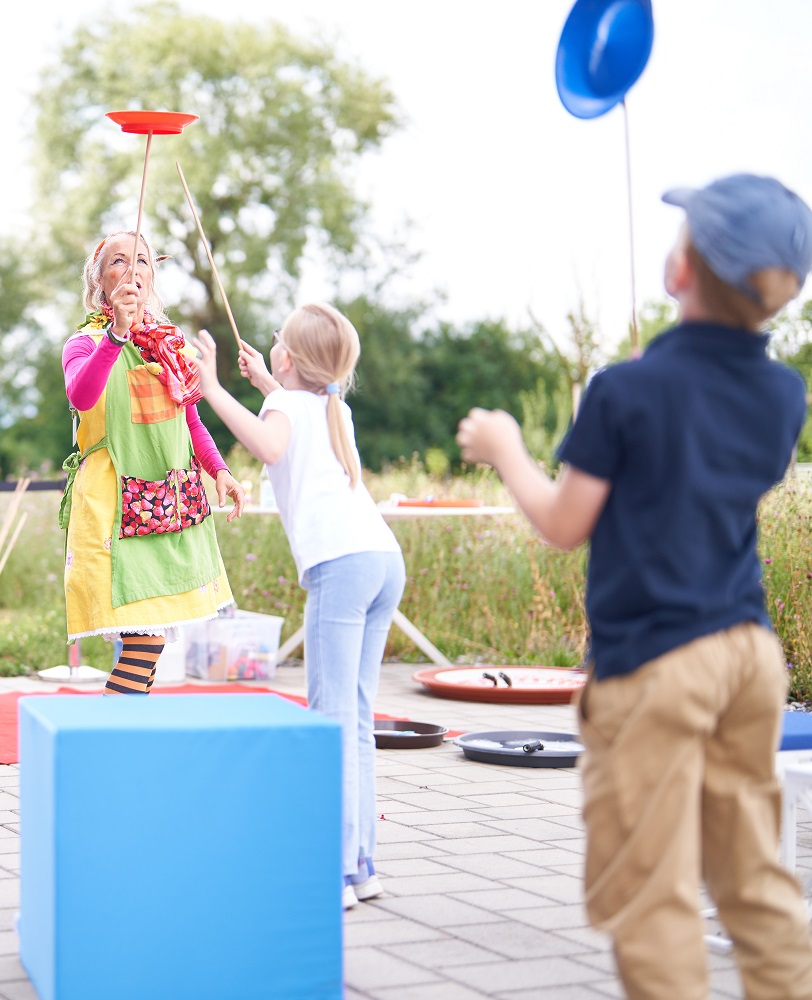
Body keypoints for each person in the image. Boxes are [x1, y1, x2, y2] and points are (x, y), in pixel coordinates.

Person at [457, 174, 812, 999]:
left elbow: (563, 522)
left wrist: (506, 447)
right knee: (752, 874)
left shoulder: (626, 389)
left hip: (658, 663)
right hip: (748, 657)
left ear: (679, 271)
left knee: (648, 889)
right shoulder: (783, 393)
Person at [191, 305, 404, 910]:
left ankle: (334, 872)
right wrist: (264, 384)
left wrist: (211, 389)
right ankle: (362, 865)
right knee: (356, 719)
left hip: (342, 567)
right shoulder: (333, 406)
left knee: (329, 717)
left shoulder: (287, 408)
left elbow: (270, 445)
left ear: (289, 358)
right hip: (383, 561)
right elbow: (290, 424)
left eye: (278, 342)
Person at [60, 231, 246, 694]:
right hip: (113, 507)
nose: (132, 269)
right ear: (101, 282)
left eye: (142, 261)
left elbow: (192, 422)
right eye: (119, 261)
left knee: (149, 642)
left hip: (171, 503)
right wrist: (116, 337)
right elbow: (82, 396)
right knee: (144, 640)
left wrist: (220, 470)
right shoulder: (83, 344)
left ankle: (116, 740)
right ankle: (109, 739)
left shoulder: (170, 347)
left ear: (151, 277)